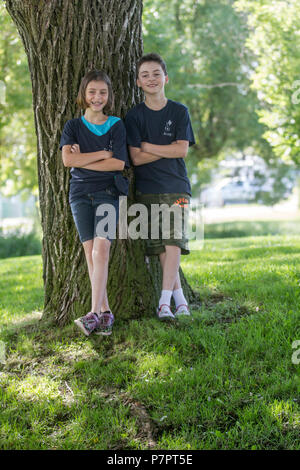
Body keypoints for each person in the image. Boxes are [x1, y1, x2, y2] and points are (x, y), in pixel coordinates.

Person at [125, 53, 195, 321]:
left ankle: (164, 303)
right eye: (145, 75)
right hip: (148, 187)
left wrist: (150, 146)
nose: (151, 79)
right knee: (163, 248)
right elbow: (136, 158)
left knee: (174, 241)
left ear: (165, 78)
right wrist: (169, 149)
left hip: (176, 185)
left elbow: (182, 150)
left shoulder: (179, 112)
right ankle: (181, 302)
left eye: (156, 74)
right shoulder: (134, 116)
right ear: (138, 83)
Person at [60, 69, 129, 336]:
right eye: (92, 92)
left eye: (102, 92)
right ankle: (105, 313)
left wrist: (84, 158)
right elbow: (68, 161)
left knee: (101, 251)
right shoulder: (73, 126)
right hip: (79, 194)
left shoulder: (116, 125)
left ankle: (92, 314)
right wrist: (101, 153)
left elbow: (118, 164)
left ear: (109, 95)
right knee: (91, 255)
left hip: (108, 193)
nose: (97, 97)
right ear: (84, 94)